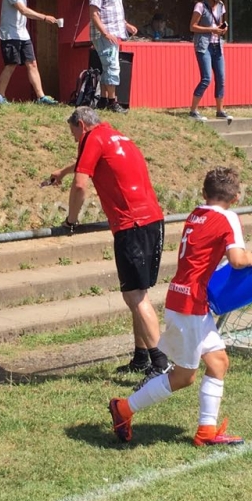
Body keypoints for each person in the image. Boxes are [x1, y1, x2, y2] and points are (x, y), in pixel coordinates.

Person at [108, 166, 252, 446]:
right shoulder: (228, 217)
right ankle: (123, 408)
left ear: (204, 192)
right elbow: (237, 260)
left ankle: (206, 431)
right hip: (190, 304)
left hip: (185, 298)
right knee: (184, 376)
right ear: (236, 197)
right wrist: (251, 257)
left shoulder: (196, 214)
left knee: (218, 362)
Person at [47, 106, 170, 378]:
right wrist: (63, 171)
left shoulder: (92, 138)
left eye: (74, 135)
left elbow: (81, 185)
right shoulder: (117, 136)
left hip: (131, 224)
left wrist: (70, 221)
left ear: (81, 125)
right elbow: (90, 162)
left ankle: (161, 363)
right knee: (138, 293)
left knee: (135, 296)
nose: (76, 141)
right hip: (153, 220)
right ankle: (141, 358)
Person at [0, 0, 59, 105]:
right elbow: (23, 10)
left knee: (32, 64)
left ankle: (41, 97)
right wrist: (44, 17)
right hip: (10, 34)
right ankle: (1, 97)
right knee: (11, 65)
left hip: (23, 34)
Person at [88, 0, 138, 114]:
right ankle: (112, 102)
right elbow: (94, 13)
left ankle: (103, 100)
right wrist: (105, 33)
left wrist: (126, 25)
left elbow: (113, 13)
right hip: (104, 34)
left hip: (113, 33)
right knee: (112, 66)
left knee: (107, 67)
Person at [188, 0, 230, 122]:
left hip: (217, 45)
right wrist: (211, 29)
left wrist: (223, 29)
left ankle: (220, 111)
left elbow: (219, 24)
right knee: (206, 78)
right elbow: (192, 27)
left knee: (221, 78)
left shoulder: (221, 5)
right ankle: (193, 111)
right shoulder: (200, 6)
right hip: (203, 46)